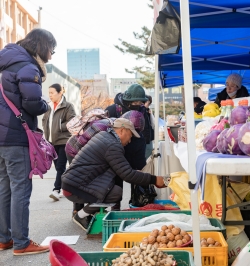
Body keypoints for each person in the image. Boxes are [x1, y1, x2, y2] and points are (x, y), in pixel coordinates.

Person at [0, 28, 56, 255]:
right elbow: (32, 102)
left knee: (4, 189)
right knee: (21, 189)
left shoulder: (5, 64)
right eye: (52, 49)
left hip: (2, 139)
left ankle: (4, 238)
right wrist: (45, 105)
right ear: (42, 46)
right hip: (15, 136)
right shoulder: (27, 66)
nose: (52, 54)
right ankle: (22, 243)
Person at [61, 118, 168, 230]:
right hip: (74, 188)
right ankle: (81, 216)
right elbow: (127, 175)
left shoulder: (104, 136)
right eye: (130, 135)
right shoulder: (112, 145)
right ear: (122, 131)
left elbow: (121, 169)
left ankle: (87, 213)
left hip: (72, 184)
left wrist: (135, 172)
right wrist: (155, 180)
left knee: (113, 190)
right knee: (115, 193)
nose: (130, 140)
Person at [105, 84, 149, 210]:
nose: (138, 103)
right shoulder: (113, 109)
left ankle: (136, 204)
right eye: (135, 101)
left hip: (136, 150)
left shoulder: (142, 109)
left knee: (137, 177)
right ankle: (115, 208)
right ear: (127, 99)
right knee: (117, 180)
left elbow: (144, 130)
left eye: (140, 101)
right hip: (118, 150)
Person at [42, 84, 76, 201]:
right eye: (49, 93)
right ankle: (70, 186)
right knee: (58, 168)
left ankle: (56, 190)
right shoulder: (48, 106)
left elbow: (72, 121)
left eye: (52, 93)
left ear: (60, 92)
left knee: (61, 165)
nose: (50, 95)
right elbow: (44, 120)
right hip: (51, 142)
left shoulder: (68, 106)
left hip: (64, 140)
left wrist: (58, 127)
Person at [143, 95, 155, 159]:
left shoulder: (147, 111)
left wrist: (150, 114)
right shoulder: (142, 111)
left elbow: (153, 124)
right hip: (146, 138)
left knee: (148, 156)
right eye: (148, 103)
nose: (148, 105)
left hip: (148, 138)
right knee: (147, 158)